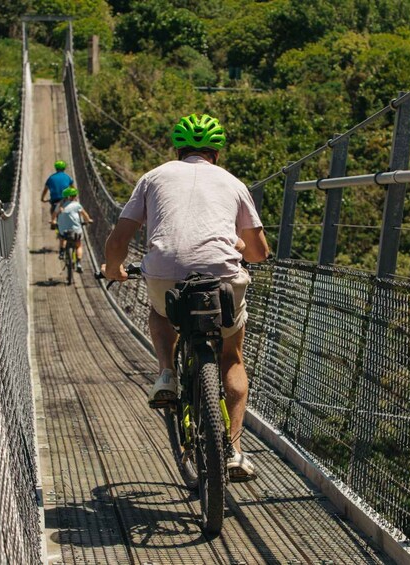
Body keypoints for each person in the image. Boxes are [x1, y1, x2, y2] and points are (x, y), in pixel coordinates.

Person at [102, 113, 270, 482]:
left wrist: (113, 268)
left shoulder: (154, 177)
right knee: (231, 356)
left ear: (178, 150)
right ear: (217, 153)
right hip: (222, 277)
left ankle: (166, 374)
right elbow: (258, 253)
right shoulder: (233, 183)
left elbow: (117, 240)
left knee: (161, 314)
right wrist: (238, 244)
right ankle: (235, 451)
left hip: (164, 273)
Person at [51, 186, 93, 273]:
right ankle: (78, 263)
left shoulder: (60, 205)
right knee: (78, 245)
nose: (76, 196)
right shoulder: (77, 205)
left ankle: (62, 252)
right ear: (71, 197)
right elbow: (84, 214)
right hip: (76, 230)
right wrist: (88, 220)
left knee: (62, 237)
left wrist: (53, 221)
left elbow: (54, 215)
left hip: (64, 231)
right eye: (75, 195)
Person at [42, 160, 75, 256]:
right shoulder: (67, 177)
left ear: (56, 168)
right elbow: (73, 188)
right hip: (66, 200)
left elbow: (45, 190)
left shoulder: (51, 178)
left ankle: (54, 223)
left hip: (55, 201)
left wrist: (43, 199)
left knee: (53, 211)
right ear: (64, 168)